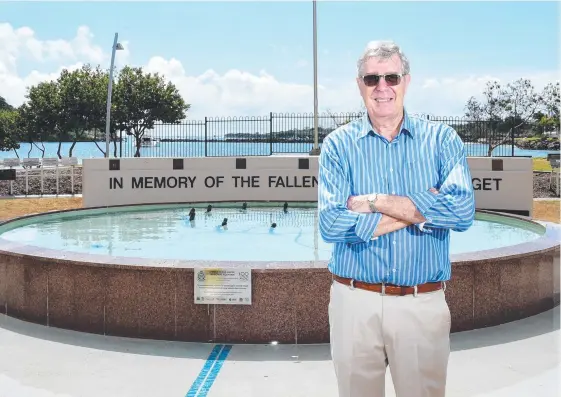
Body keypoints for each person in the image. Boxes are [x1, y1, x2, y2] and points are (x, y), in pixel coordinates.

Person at [318, 40, 475, 397]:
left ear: (406, 80)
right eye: (372, 79)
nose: (382, 87)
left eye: (391, 76)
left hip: (422, 304)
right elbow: (331, 224)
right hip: (354, 303)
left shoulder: (442, 140)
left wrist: (376, 201)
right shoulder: (338, 146)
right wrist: (424, 208)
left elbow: (462, 212)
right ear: (360, 85)